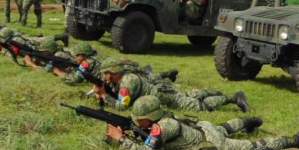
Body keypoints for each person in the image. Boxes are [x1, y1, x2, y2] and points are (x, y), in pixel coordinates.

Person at [104, 97, 299, 150]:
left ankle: (296, 139)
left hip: (212, 142)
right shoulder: (161, 119)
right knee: (223, 127)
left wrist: (121, 139)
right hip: (204, 129)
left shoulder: (162, 128)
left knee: (254, 149)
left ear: (149, 118)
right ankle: (249, 121)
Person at [92, 56, 250, 113]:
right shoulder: (121, 79)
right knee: (189, 95)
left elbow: (122, 107)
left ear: (115, 72)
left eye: (107, 73)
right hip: (163, 91)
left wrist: (104, 95)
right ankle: (214, 93)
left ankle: (234, 98)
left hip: (165, 97)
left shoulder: (127, 84)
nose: (105, 76)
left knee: (199, 107)